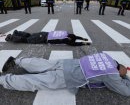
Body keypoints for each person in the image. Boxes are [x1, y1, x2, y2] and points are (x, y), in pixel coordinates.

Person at [0, 52, 130, 96]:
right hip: (69, 76)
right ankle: (4, 80)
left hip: (67, 63)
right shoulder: (113, 75)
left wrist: (121, 71)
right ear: (120, 71)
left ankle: (17, 61)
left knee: (41, 64)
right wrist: (125, 78)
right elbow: (126, 91)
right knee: (36, 81)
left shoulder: (106, 56)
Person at [5, 30, 91, 46]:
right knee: (27, 40)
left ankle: (17, 32)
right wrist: (84, 43)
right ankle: (11, 37)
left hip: (44, 33)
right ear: (69, 39)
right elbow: (74, 44)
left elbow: (75, 37)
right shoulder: (66, 40)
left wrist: (83, 38)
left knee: (30, 35)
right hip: (43, 38)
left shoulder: (66, 33)